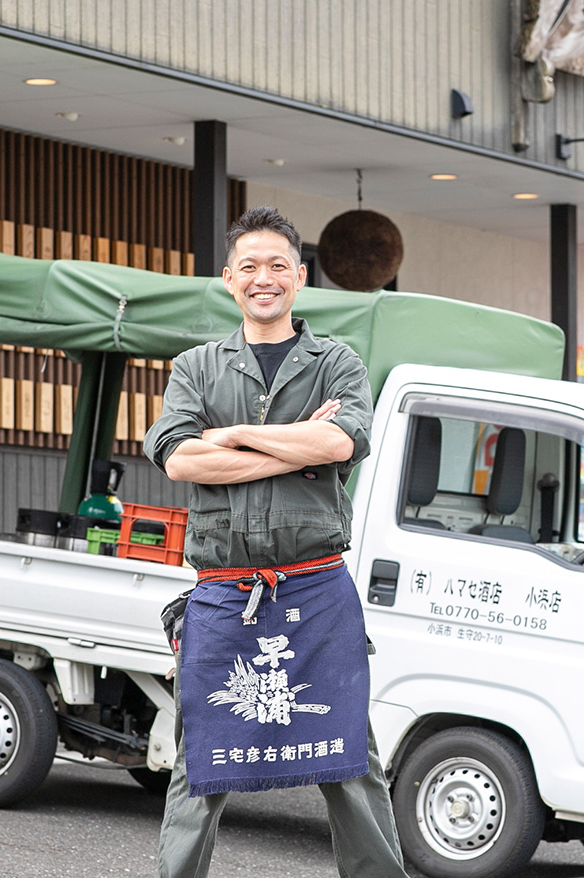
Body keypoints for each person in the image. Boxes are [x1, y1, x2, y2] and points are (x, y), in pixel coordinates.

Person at [143, 207, 408, 878]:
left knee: (349, 758)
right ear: (230, 278)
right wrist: (295, 450)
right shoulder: (197, 368)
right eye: (250, 266)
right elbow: (178, 459)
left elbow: (342, 440)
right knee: (201, 758)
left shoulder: (336, 361)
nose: (265, 278)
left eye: (278, 266)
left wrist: (228, 436)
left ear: (299, 276)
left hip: (317, 589)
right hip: (225, 593)